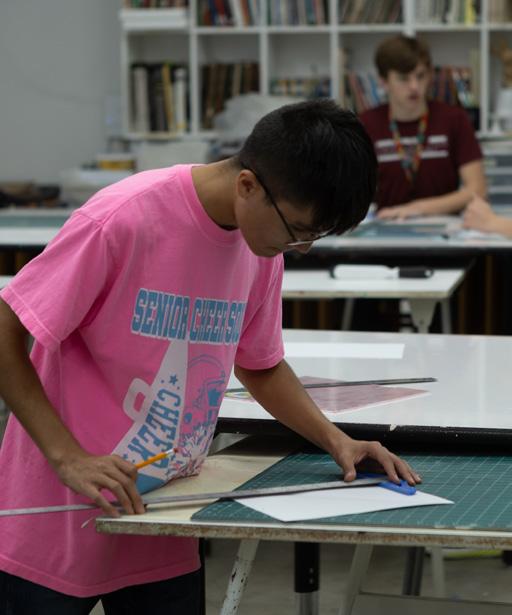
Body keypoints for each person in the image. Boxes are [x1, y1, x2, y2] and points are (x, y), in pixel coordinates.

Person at [0, 99, 420, 613]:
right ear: (248, 186)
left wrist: (338, 441)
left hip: (164, 518)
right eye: (298, 230)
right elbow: (5, 327)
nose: (303, 247)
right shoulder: (122, 219)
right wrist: (68, 457)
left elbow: (261, 365)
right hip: (56, 515)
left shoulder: (260, 247)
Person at [359, 35, 486, 220]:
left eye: (420, 76)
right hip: (384, 225)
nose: (414, 86)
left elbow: (478, 190)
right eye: (403, 78)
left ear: (430, 75)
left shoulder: (454, 119)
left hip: (443, 226)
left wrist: (419, 208)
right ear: (384, 81)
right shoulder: (366, 124)